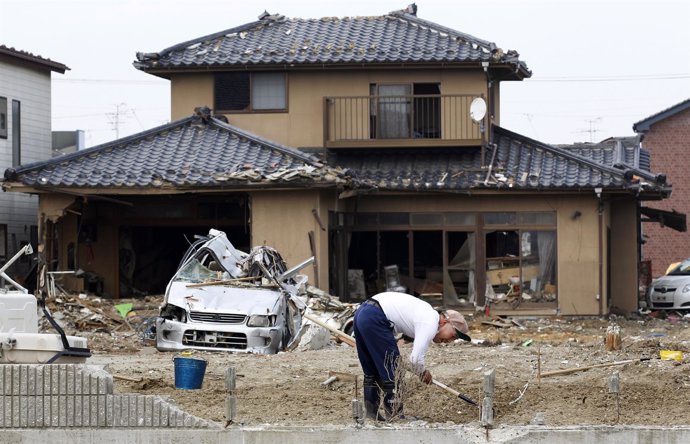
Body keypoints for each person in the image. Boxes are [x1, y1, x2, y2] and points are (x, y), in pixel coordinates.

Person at [352, 291, 471, 420]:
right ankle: (395, 416)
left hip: (362, 312)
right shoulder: (430, 322)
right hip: (376, 317)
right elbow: (415, 359)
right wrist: (422, 372)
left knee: (371, 370)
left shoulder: (423, 312)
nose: (450, 340)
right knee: (393, 371)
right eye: (453, 335)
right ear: (444, 321)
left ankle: (371, 415)